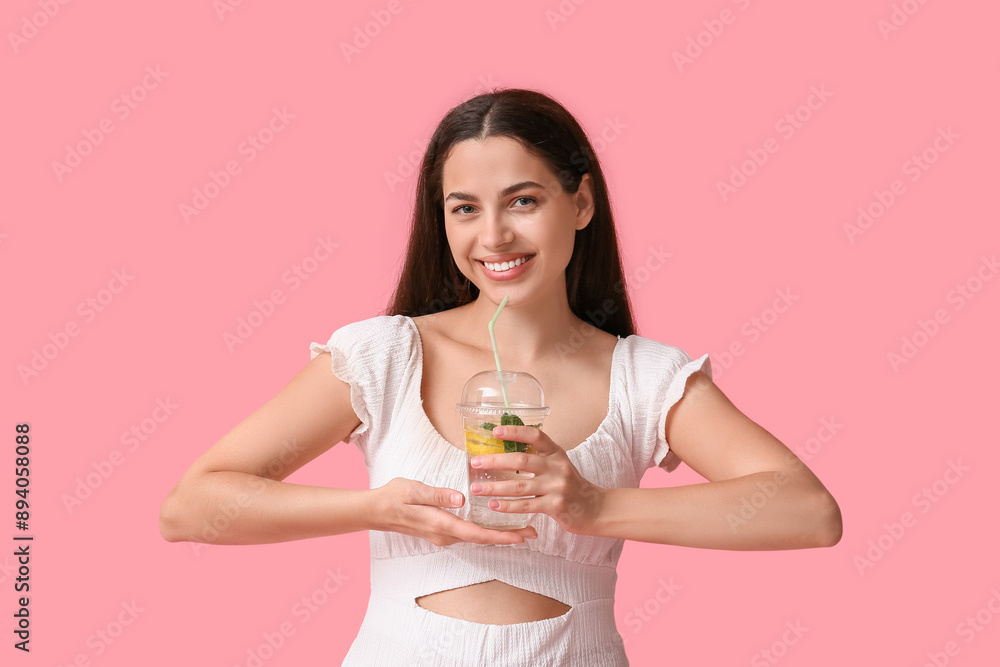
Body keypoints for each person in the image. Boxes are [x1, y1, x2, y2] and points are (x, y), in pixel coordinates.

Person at [159, 87, 843, 665]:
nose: (493, 237)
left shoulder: (643, 376)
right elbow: (191, 506)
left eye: (522, 201)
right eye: (465, 207)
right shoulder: (385, 356)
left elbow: (808, 511)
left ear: (580, 203)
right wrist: (375, 508)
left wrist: (596, 507)